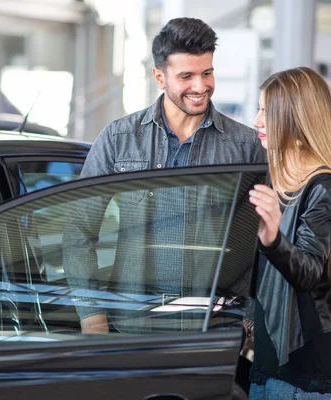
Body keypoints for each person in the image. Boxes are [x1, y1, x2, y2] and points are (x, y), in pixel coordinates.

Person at [63, 17, 266, 335]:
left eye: (207, 73)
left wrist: (249, 318)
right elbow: (79, 231)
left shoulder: (246, 147)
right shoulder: (119, 139)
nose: (200, 87)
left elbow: (262, 240)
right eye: (186, 76)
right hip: (133, 324)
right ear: (159, 76)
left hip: (213, 328)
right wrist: (92, 317)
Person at [248, 66, 331, 399]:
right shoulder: (270, 180)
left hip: (299, 367)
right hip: (265, 361)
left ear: (295, 119)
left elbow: (307, 272)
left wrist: (272, 239)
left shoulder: (323, 186)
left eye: (266, 111)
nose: (256, 120)